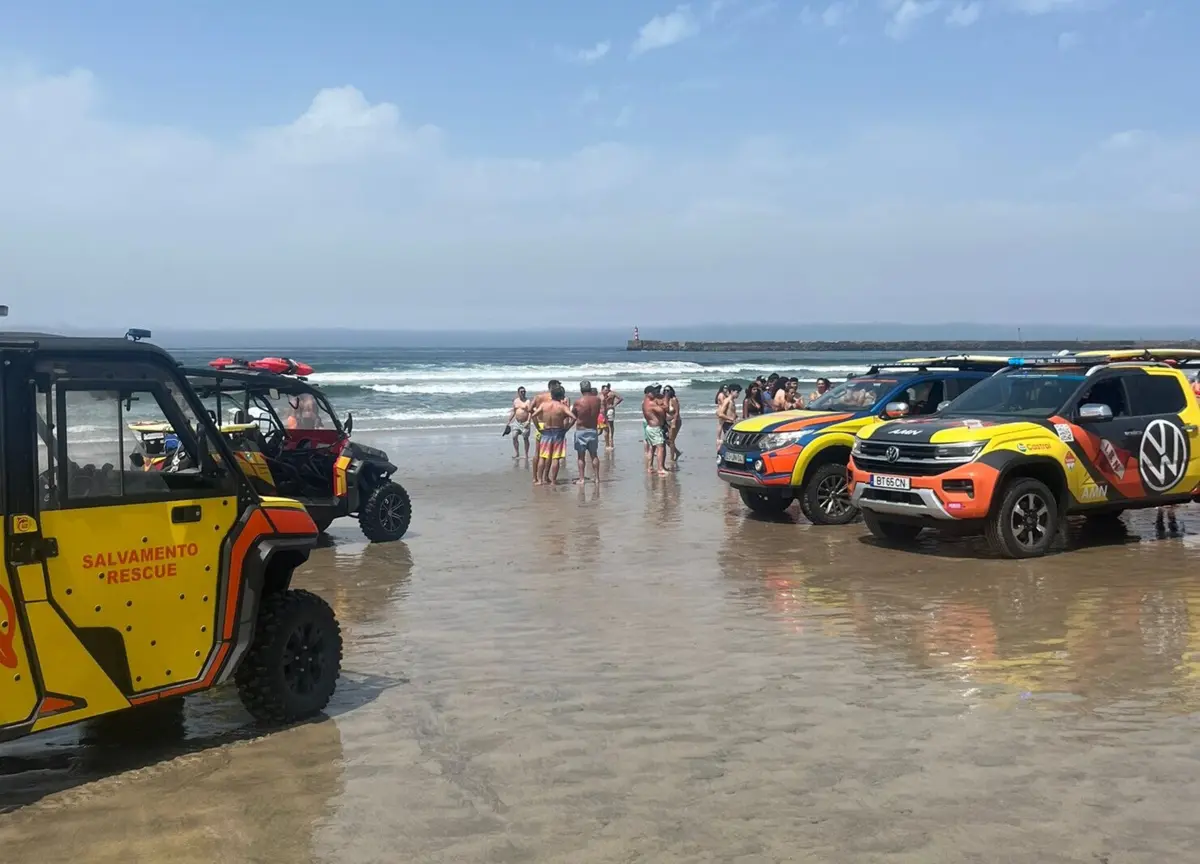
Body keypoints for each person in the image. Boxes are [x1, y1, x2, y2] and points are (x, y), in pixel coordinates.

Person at [532, 383, 575, 486]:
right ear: (561, 396)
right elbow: (574, 417)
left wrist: (538, 427)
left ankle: (540, 480)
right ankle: (553, 481)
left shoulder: (543, 405)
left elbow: (533, 415)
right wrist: (567, 428)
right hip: (558, 432)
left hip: (546, 432)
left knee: (543, 457)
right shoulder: (562, 407)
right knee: (555, 458)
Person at [573, 380, 602, 484]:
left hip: (581, 430)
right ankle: (597, 478)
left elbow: (574, 416)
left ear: (581, 390)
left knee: (581, 456)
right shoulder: (597, 400)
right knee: (594, 455)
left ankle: (581, 479)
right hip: (593, 429)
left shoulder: (578, 402)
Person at [643, 385, 669, 476]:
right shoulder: (651, 403)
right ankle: (660, 469)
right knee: (660, 448)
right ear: (647, 394)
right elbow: (663, 411)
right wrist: (665, 398)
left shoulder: (645, 402)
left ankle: (650, 467)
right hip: (655, 428)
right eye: (653, 392)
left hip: (650, 428)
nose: (655, 394)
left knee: (652, 448)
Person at [505, 386, 533, 459]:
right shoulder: (516, 401)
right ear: (518, 393)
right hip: (517, 422)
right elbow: (514, 411)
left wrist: (528, 421)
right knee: (514, 436)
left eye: (524, 391)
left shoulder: (528, 401)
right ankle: (517, 453)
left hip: (525, 422)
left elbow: (530, 412)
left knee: (525, 438)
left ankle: (526, 455)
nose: (523, 393)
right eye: (521, 392)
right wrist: (509, 421)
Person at [717, 384, 741, 448]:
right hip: (727, 424)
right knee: (731, 442)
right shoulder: (727, 401)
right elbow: (720, 414)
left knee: (734, 441)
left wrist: (737, 417)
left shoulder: (732, 401)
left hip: (732, 424)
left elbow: (732, 412)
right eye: (737, 392)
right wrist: (731, 419)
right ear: (732, 391)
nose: (738, 394)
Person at [601, 384, 623, 450]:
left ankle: (610, 439)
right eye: (605, 390)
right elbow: (620, 398)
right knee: (608, 425)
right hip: (607, 410)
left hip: (609, 409)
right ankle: (610, 438)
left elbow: (621, 398)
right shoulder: (610, 394)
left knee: (608, 425)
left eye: (607, 389)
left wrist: (614, 405)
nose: (607, 391)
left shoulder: (610, 393)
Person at [664, 385, 682, 465]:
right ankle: (677, 452)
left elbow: (677, 413)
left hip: (675, 421)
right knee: (666, 440)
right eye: (665, 390)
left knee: (671, 440)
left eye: (668, 390)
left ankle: (672, 458)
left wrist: (674, 422)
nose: (666, 392)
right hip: (667, 422)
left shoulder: (674, 399)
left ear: (671, 391)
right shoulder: (664, 400)